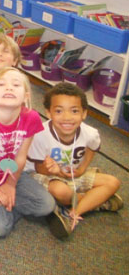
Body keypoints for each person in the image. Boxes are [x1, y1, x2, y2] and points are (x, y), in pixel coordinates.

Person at [0, 67, 55, 238]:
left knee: (46, 206)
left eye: (16, 85)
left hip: (12, 172)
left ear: (26, 96)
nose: (9, 88)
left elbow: (21, 157)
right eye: (1, 84)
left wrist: (10, 184)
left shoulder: (32, 118)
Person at [28, 83, 123, 239]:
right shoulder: (39, 135)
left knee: (113, 182)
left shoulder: (90, 133)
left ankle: (73, 212)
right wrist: (53, 170)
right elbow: (38, 168)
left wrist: (83, 168)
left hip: (73, 173)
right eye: (59, 111)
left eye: (74, 111)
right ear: (48, 112)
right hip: (48, 175)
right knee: (61, 191)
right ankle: (97, 201)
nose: (67, 117)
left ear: (84, 113)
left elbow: (92, 147)